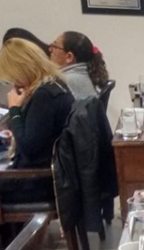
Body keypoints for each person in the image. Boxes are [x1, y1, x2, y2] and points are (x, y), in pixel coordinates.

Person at [0, 38, 73, 204]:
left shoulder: (44, 96)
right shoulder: (56, 84)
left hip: (38, 182)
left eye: (13, 77)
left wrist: (15, 110)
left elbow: (29, 148)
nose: (14, 83)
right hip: (51, 176)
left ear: (22, 69)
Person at [47, 31, 109, 100]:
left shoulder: (62, 82)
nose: (50, 50)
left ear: (69, 57)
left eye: (55, 47)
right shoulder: (86, 75)